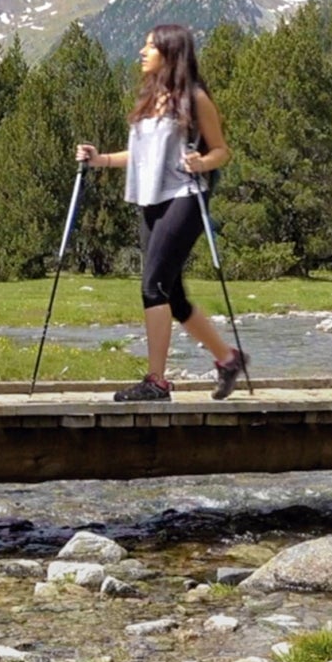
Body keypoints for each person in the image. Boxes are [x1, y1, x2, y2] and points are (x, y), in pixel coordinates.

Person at [74, 23, 250, 402]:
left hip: (185, 196)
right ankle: (229, 359)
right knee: (173, 294)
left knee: (152, 285)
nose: (142, 51)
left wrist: (202, 162)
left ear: (170, 54)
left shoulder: (195, 99)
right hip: (150, 199)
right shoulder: (149, 98)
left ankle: (157, 381)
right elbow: (141, 156)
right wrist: (99, 159)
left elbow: (222, 150)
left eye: (150, 46)